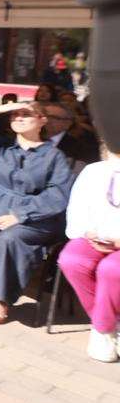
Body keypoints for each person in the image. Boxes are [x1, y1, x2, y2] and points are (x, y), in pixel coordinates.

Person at [0, 101, 73, 325]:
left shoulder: (54, 156)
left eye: (26, 114)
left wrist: (20, 215)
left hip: (37, 215)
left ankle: (1, 298)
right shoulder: (0, 146)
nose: (18, 118)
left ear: (42, 120)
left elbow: (58, 195)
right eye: (14, 114)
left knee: (10, 239)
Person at [58, 150, 120, 362]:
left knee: (111, 269)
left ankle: (102, 329)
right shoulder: (93, 172)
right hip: (95, 237)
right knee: (72, 260)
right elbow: (76, 211)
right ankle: (109, 326)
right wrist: (89, 232)